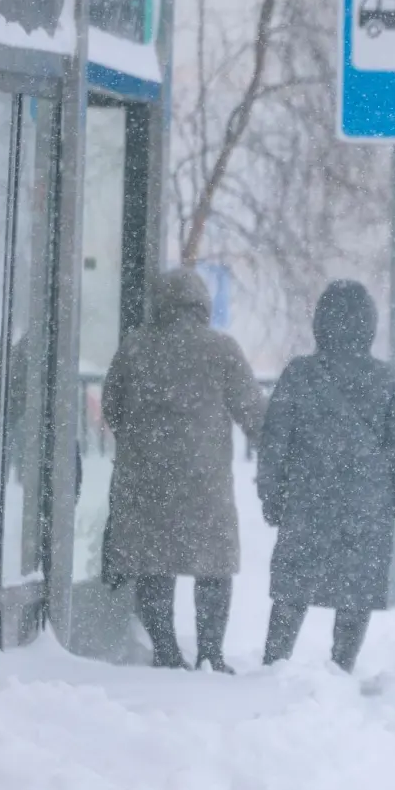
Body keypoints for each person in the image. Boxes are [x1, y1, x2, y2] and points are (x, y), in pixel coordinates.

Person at [101, 269, 266, 673]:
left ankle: (166, 650)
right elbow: (253, 413)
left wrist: (142, 441)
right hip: (203, 481)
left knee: (154, 563)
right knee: (213, 565)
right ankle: (211, 652)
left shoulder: (135, 348)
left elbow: (112, 405)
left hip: (146, 478)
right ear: (201, 305)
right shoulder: (221, 350)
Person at [257, 280, 395, 672]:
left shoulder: (299, 374)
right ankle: (341, 665)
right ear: (370, 326)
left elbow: (274, 440)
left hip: (307, 499)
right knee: (355, 591)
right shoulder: (386, 381)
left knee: (293, 589)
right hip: (366, 505)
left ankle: (274, 662)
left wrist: (271, 493)